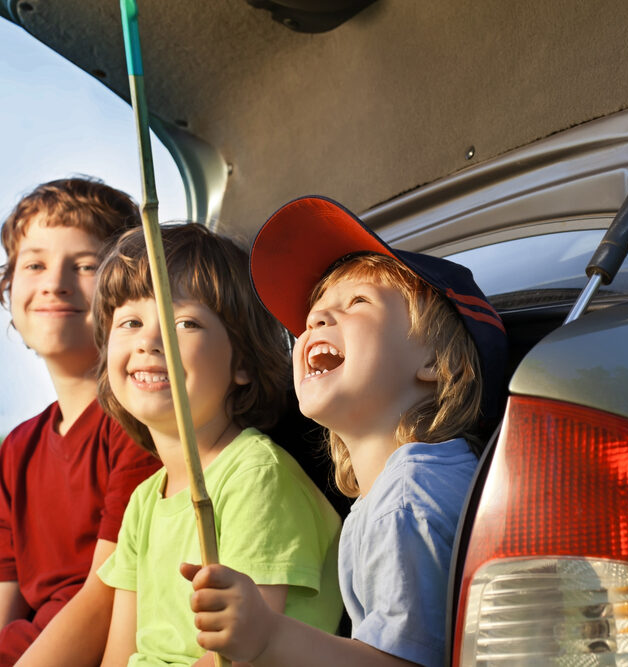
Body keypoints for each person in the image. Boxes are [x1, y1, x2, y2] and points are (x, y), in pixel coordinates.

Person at [182, 195, 509, 667]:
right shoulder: (407, 490)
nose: (315, 318)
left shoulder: (407, 500)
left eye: (357, 301)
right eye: (315, 309)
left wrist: (270, 637)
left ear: (436, 362)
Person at [93, 222, 343, 666]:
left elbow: (240, 654)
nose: (150, 341)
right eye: (130, 321)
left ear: (242, 363)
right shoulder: (143, 504)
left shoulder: (256, 477)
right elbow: (117, 656)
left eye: (184, 322)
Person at [0, 177, 161, 666]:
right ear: (9, 288)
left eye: (86, 265)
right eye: (34, 264)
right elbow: (7, 603)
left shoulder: (138, 424)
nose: (54, 282)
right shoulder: (17, 448)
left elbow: (107, 596)